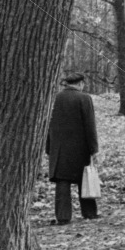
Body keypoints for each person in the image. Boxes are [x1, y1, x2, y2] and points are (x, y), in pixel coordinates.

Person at [46, 72, 98, 225]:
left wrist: (49, 146)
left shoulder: (54, 98)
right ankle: (89, 212)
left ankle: (63, 216)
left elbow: (48, 124)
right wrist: (94, 148)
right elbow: (90, 126)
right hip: (80, 148)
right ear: (81, 83)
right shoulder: (84, 98)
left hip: (59, 148)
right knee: (85, 179)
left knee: (62, 182)